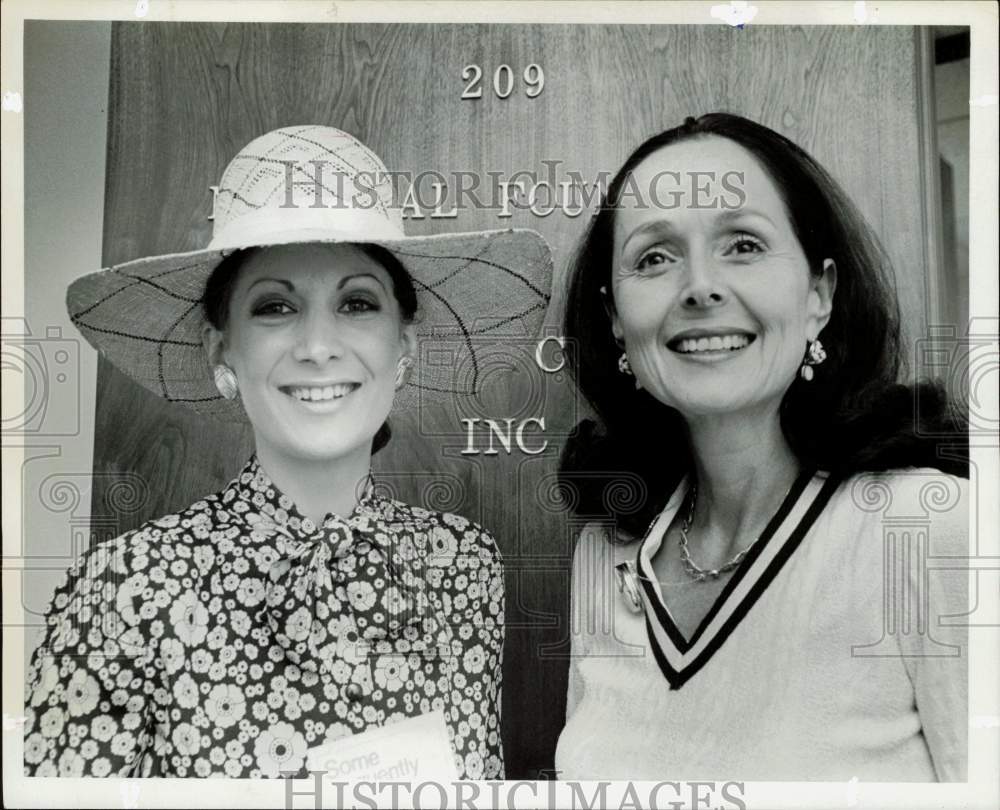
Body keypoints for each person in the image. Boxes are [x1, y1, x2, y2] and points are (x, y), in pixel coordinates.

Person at [23, 125, 553, 778]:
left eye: (357, 303)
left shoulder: (462, 564)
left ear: (403, 351)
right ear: (224, 356)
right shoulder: (120, 588)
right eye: (275, 307)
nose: (318, 345)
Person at [555, 113, 969, 781]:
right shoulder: (605, 556)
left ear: (818, 295)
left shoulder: (931, 525)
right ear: (613, 320)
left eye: (743, 244)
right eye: (654, 257)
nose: (700, 286)